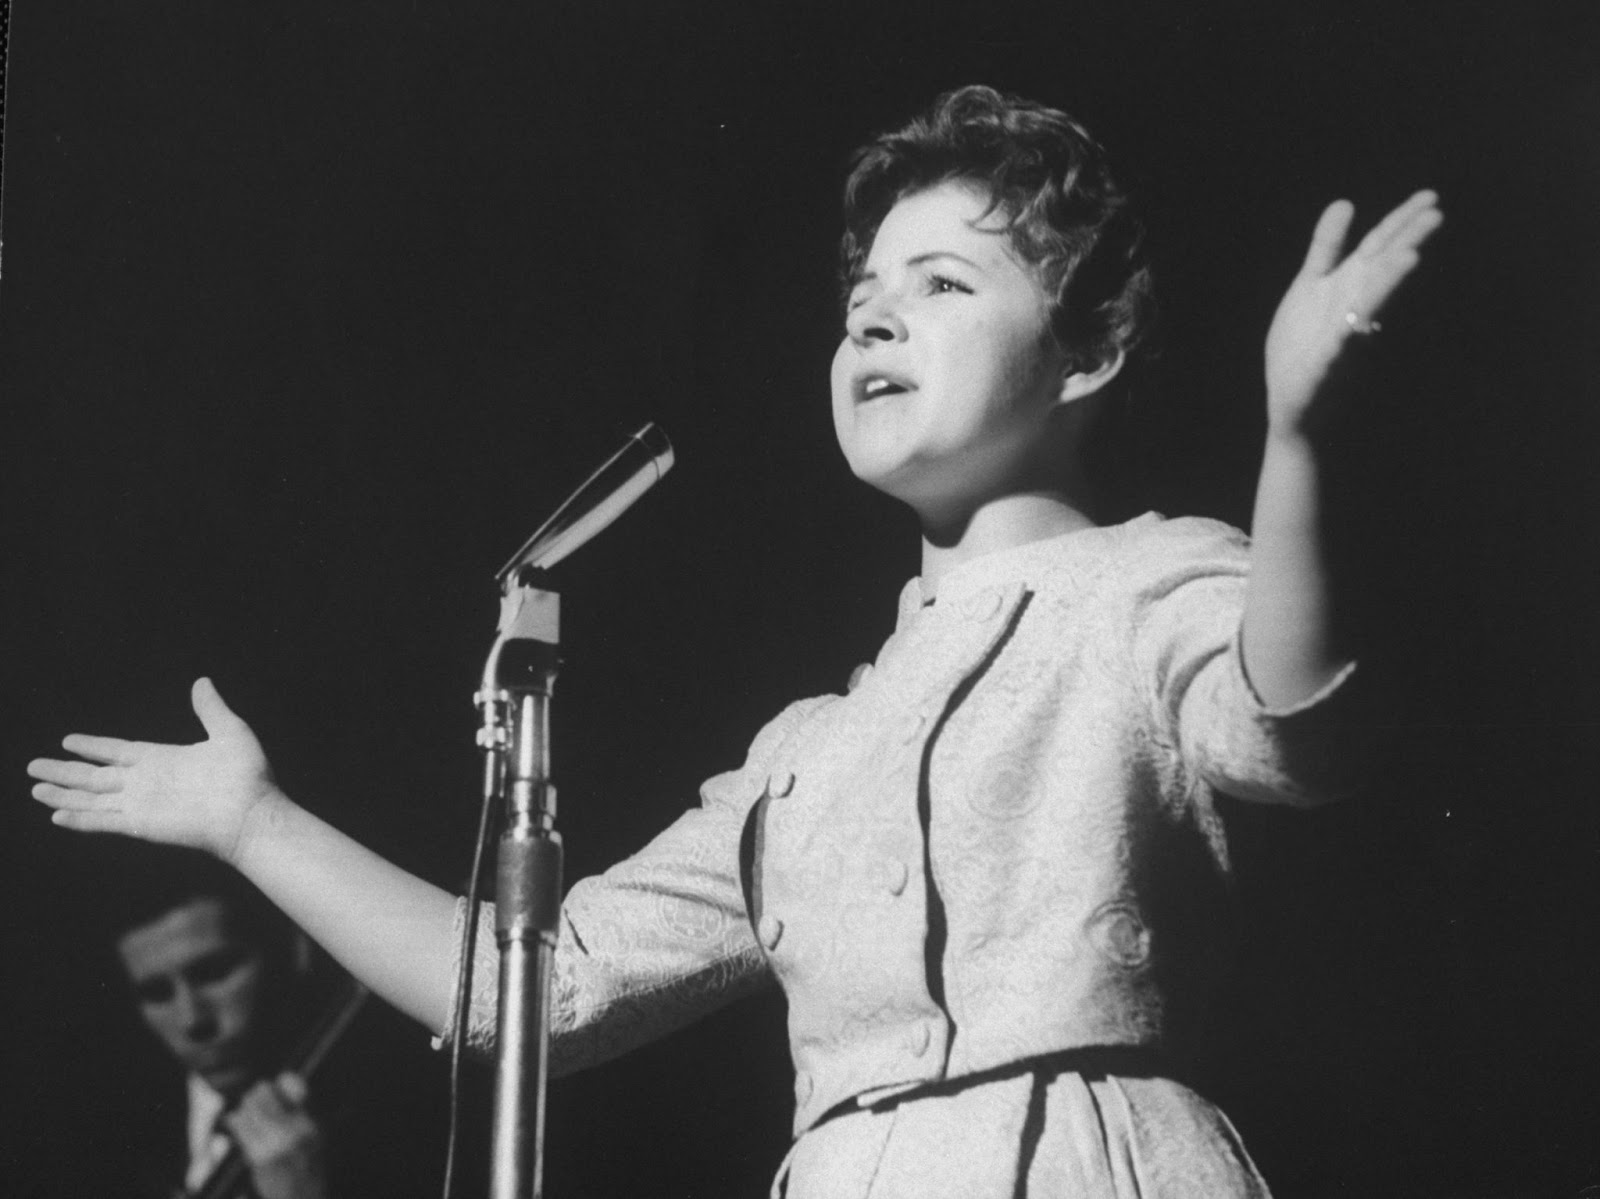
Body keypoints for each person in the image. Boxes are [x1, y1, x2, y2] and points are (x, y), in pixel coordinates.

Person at [30, 85, 1442, 1196]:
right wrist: (252, 821)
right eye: (861, 300)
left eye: (945, 283)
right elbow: (546, 990)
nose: (877, 313)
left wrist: (1299, 440)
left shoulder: (1157, 580)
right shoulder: (805, 754)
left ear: (1089, 351)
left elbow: (1294, 730)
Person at [105, 850, 334, 1199]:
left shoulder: (397, 1117)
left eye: (214, 973)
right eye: (157, 993)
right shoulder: (110, 1138)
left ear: (294, 951)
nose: (192, 1019)